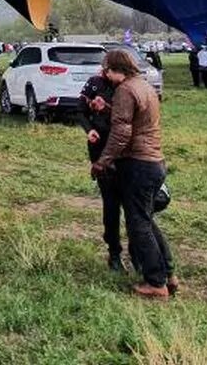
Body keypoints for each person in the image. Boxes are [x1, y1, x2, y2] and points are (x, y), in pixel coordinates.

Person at [90, 49, 175, 298]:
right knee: (146, 219)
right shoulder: (143, 85)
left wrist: (102, 162)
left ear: (116, 69)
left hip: (138, 164)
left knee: (138, 224)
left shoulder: (125, 90)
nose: (104, 74)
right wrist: (107, 108)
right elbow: (135, 119)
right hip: (154, 161)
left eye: (106, 69)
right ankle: (169, 273)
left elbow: (122, 133)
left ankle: (156, 282)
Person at [79, 63, 122, 271]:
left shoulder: (129, 87)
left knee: (133, 204)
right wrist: (89, 129)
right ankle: (114, 252)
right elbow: (79, 110)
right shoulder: (95, 84)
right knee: (111, 201)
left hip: (126, 149)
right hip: (101, 147)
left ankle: (139, 252)